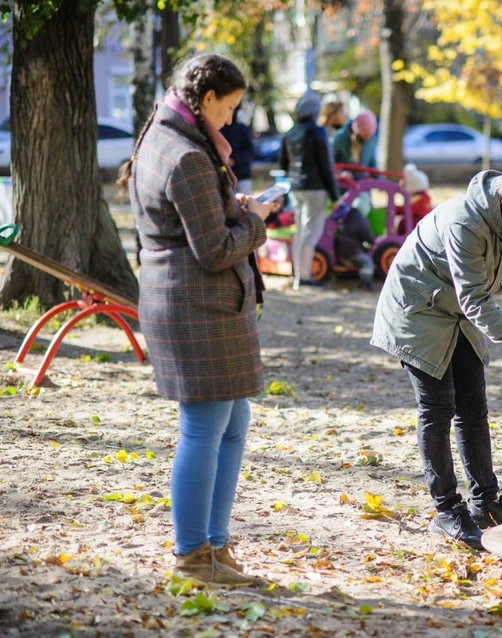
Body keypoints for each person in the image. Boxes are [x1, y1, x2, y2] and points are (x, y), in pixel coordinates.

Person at [118, 53, 276, 585]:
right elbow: (211, 250)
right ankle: (192, 555)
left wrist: (235, 206)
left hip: (200, 305)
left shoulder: (166, 135)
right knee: (205, 428)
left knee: (231, 423)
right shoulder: (186, 154)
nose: (231, 119)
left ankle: (214, 544)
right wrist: (254, 223)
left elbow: (195, 220)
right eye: (228, 108)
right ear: (206, 100)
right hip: (194, 307)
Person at [370, 161, 502, 551]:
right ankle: (447, 511)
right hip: (417, 308)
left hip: (459, 311)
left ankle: (485, 501)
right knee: (437, 407)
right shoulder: (465, 221)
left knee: (473, 406)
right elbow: (474, 298)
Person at [279, 91, 340, 289]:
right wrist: (334, 195)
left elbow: (283, 163)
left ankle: (297, 273)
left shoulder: (290, 133)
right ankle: (304, 276)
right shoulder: (318, 132)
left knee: (300, 230)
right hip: (315, 189)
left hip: (296, 188)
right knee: (311, 233)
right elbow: (326, 166)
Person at [332, 110, 377, 215]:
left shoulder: (371, 141)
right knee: (348, 211)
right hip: (343, 188)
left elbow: (372, 164)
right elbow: (330, 162)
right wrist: (341, 173)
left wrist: (375, 177)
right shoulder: (340, 139)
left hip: (362, 187)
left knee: (361, 208)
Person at [332, 202, 376, 291]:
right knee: (367, 262)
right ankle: (366, 283)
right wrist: (372, 242)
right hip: (351, 250)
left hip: (340, 247)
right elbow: (367, 235)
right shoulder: (360, 219)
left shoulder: (347, 215)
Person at [221, 110, 255, 194]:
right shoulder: (218, 129)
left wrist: (234, 160)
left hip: (242, 175)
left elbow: (250, 151)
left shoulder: (242, 129)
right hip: (224, 177)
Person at [398, 162, 432, 235]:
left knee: (403, 224)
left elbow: (407, 209)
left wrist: (394, 208)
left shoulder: (419, 199)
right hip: (421, 225)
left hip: (416, 227)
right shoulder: (424, 197)